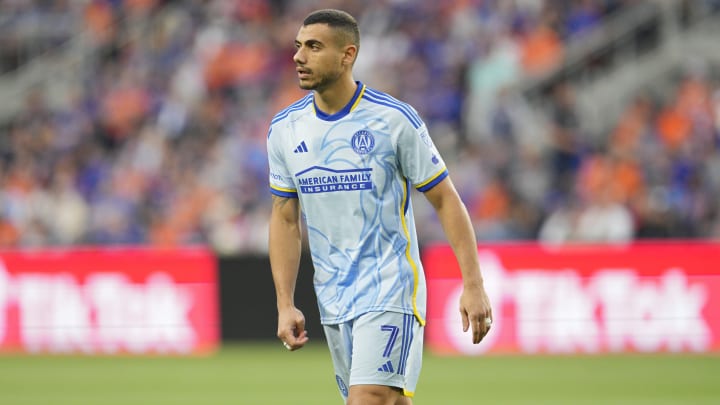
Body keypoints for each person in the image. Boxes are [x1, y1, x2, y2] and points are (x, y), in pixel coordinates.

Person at [267, 9, 493, 405]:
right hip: (333, 296)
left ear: (347, 55)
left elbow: (445, 198)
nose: (298, 57)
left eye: (313, 47)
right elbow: (285, 218)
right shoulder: (284, 129)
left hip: (391, 288)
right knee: (389, 400)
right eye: (298, 46)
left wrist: (472, 284)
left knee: (368, 399)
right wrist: (285, 303)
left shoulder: (393, 120)